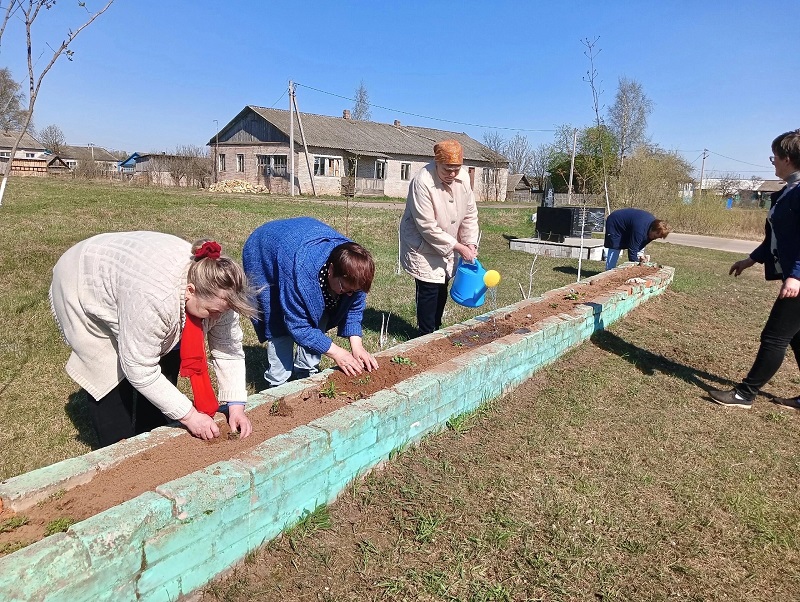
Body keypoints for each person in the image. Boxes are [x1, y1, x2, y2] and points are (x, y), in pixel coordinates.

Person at [50, 232, 257, 447]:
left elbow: (228, 349)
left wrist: (236, 406)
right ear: (190, 291)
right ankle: (116, 449)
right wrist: (190, 416)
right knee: (108, 375)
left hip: (137, 278)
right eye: (212, 311)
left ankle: (150, 430)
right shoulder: (155, 299)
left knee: (164, 360)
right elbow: (140, 368)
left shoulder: (222, 293)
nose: (217, 317)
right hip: (84, 280)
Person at [709, 129, 800, 410]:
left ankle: (745, 394)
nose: (772, 162)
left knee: (774, 336)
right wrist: (751, 259)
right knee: (796, 337)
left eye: (774, 157)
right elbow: (777, 237)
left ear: (787, 158)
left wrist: (796, 274)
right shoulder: (788, 191)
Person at [242, 217, 379, 387]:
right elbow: (298, 326)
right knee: (278, 324)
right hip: (266, 250)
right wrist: (337, 353)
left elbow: (353, 309)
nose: (350, 294)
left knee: (320, 312)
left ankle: (306, 373)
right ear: (331, 270)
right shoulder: (300, 272)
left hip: (302, 239)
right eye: (345, 288)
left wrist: (357, 347)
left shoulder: (356, 270)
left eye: (355, 291)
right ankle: (277, 385)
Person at [399, 139, 480, 335]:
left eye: (456, 168)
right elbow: (426, 226)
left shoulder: (463, 179)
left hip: (449, 242)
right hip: (422, 243)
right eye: (447, 169)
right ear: (437, 163)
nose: (452, 174)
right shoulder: (423, 182)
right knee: (428, 288)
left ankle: (436, 328)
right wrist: (458, 247)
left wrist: (469, 242)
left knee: (442, 283)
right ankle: (425, 335)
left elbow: (469, 214)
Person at [604, 208, 671, 270]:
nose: (655, 238)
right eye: (655, 236)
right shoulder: (640, 230)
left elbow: (642, 242)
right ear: (653, 229)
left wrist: (640, 256)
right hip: (615, 221)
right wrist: (635, 266)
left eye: (657, 237)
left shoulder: (651, 228)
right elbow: (632, 250)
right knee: (615, 246)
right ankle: (608, 270)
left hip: (629, 225)